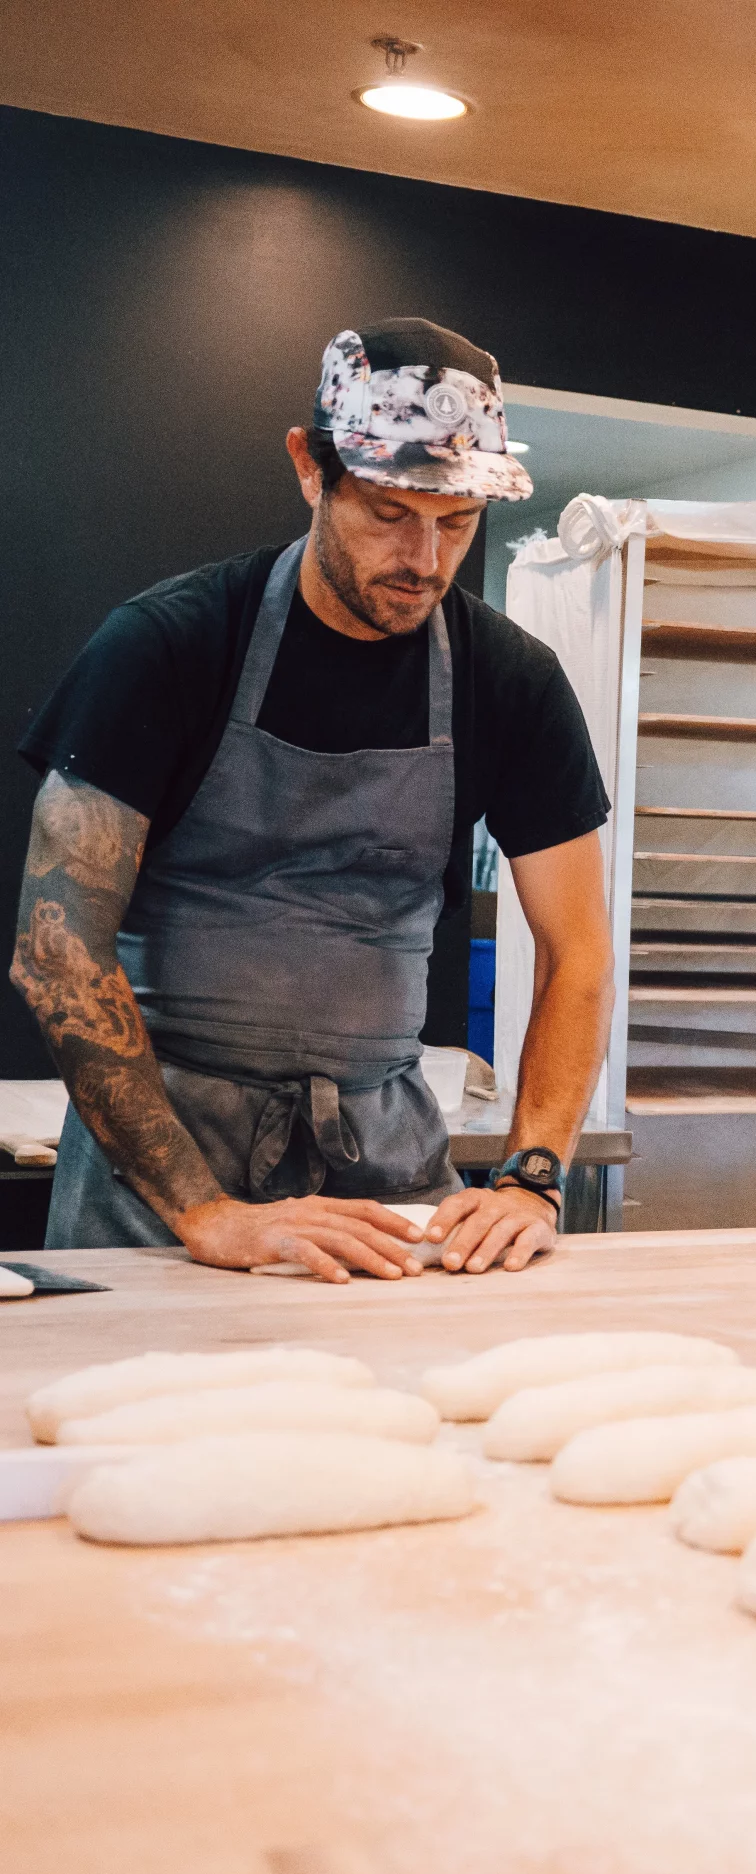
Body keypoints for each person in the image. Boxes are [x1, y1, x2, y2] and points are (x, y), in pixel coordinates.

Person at [12, 319, 614, 1282]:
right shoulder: (167, 647)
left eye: (456, 521)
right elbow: (57, 953)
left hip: (384, 1165)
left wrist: (532, 1175)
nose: (424, 557)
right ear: (310, 468)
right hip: (159, 1171)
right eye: (388, 511)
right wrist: (204, 1213)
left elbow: (578, 950)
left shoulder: (513, 683)